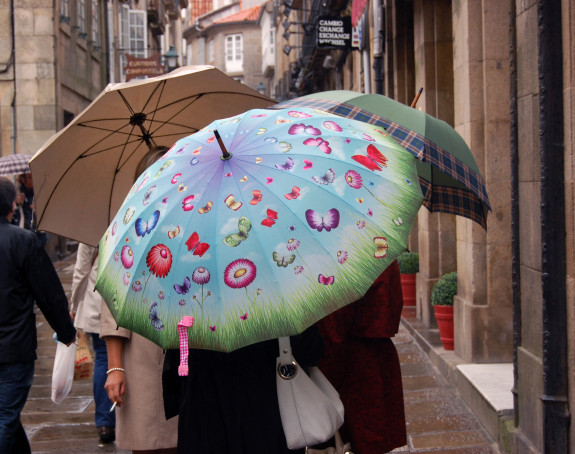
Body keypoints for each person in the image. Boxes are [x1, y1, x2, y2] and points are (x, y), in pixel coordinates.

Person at [101, 145, 179, 454]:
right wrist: (115, 368)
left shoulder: (190, 223)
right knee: (148, 439)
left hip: (186, 351)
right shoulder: (127, 231)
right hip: (142, 357)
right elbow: (112, 305)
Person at [0, 176, 76, 453]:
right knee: (5, 417)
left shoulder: (24, 241)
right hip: (14, 348)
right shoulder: (24, 242)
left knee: (7, 414)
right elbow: (49, 294)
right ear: (11, 206)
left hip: (13, 348)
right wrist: (66, 331)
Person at [162, 326, 324, 454]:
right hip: (267, 420)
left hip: (204, 423)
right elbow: (311, 351)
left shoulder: (191, 300)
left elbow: (176, 370)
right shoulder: (275, 295)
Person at [316, 261, 407, 453]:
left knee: (355, 440)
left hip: (353, 368)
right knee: (373, 440)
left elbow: (333, 333)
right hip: (378, 358)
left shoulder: (341, 261)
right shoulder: (379, 250)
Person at [69, 243, 115, 445]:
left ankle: (105, 422)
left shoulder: (91, 225)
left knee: (103, 359)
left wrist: (73, 305)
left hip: (99, 303)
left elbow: (81, 271)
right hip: (128, 301)